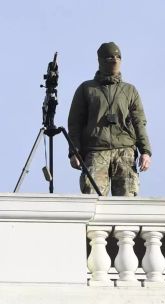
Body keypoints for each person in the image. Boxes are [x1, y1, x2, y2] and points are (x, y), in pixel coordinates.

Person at [67, 42, 152, 196]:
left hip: (125, 151)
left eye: (118, 56)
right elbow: (75, 124)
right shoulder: (87, 89)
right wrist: (74, 151)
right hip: (96, 151)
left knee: (126, 203)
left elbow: (139, 122)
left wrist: (145, 151)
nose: (114, 59)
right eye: (110, 56)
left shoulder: (129, 90)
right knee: (93, 198)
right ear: (100, 60)